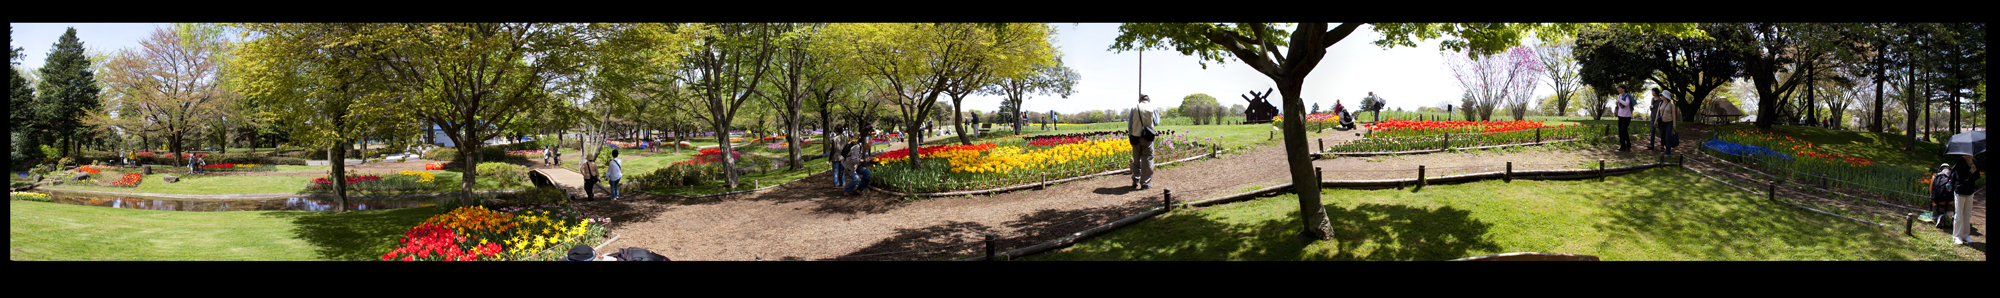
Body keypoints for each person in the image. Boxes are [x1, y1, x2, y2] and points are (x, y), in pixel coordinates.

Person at [1129, 94, 1160, 190]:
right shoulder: (1153, 108)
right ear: (1149, 100)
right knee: (1148, 159)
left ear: (1140, 100)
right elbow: (1156, 122)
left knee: (1136, 159)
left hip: (1135, 136)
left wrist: (1131, 136)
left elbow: (1130, 124)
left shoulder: (1134, 107)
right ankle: (1145, 183)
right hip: (1147, 137)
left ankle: (1136, 178)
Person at [1949, 154, 1980, 244]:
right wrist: (1970, 171)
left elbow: (1977, 176)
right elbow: (1960, 178)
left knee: (1967, 214)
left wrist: (1972, 173)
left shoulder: (1974, 161)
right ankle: (1957, 236)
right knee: (1959, 214)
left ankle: (1965, 235)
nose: (1973, 154)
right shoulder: (1960, 161)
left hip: (1970, 191)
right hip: (1960, 191)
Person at [1655, 89, 1680, 155]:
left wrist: (1674, 125)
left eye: (1663, 95)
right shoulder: (1661, 103)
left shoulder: (1671, 105)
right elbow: (1658, 113)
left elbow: (1673, 116)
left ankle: (1668, 152)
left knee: (1667, 137)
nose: (1662, 96)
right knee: (1662, 136)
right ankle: (1663, 148)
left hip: (1669, 122)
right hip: (1662, 122)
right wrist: (1655, 121)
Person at [1614, 84, 1635, 151]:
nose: (1618, 90)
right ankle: (1622, 145)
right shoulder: (1619, 96)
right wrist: (1617, 103)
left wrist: (1620, 100)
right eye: (1618, 88)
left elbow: (1627, 103)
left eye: (1619, 88)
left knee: (1623, 130)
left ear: (1623, 89)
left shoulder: (1627, 95)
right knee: (1620, 131)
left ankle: (1628, 144)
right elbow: (1620, 104)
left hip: (1627, 116)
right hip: (1620, 115)